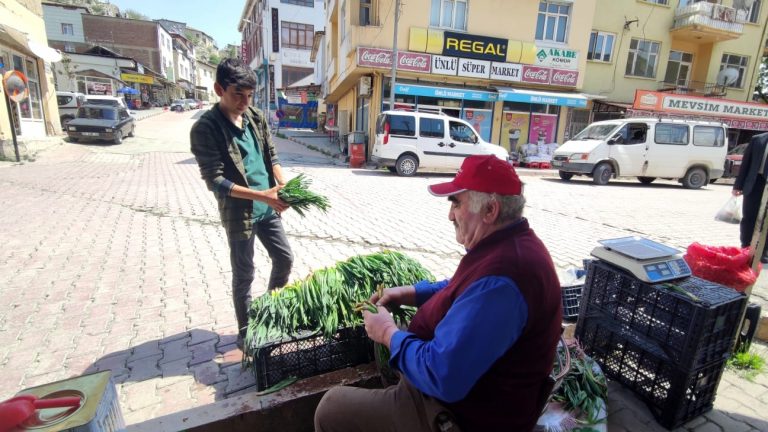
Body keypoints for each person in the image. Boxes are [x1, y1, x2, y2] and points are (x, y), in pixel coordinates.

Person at [314, 155, 563, 431]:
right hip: (463, 393)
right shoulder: (509, 245)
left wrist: (387, 332)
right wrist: (412, 292)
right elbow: (464, 285)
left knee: (331, 408)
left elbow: (442, 375)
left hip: (458, 415)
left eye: (456, 203)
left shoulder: (504, 280)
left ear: (490, 210)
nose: (450, 214)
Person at [190, 58, 293, 349]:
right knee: (244, 274)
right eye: (238, 95)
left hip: (268, 207)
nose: (245, 102)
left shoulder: (256, 118)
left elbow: (271, 156)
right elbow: (215, 181)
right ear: (219, 89)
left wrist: (282, 184)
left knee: (284, 258)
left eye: (249, 96)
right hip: (240, 213)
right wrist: (261, 196)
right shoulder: (205, 128)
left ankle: (270, 312)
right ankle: (246, 332)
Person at [733, 132, 768, 262]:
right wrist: (738, 185)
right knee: (749, 218)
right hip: (754, 183)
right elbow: (746, 164)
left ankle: (763, 251)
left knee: (766, 221)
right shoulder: (758, 140)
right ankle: (746, 247)